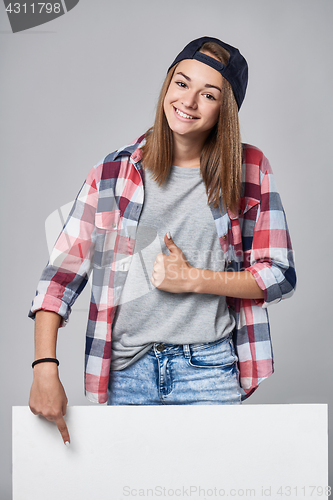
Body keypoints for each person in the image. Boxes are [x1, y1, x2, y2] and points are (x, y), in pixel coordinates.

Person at [28, 36, 296, 445]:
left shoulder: (249, 168)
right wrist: (44, 366)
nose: (188, 102)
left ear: (226, 110)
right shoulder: (114, 172)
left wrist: (195, 279)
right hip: (126, 373)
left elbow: (279, 273)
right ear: (168, 84)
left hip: (207, 370)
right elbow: (60, 277)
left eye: (209, 94)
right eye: (181, 83)